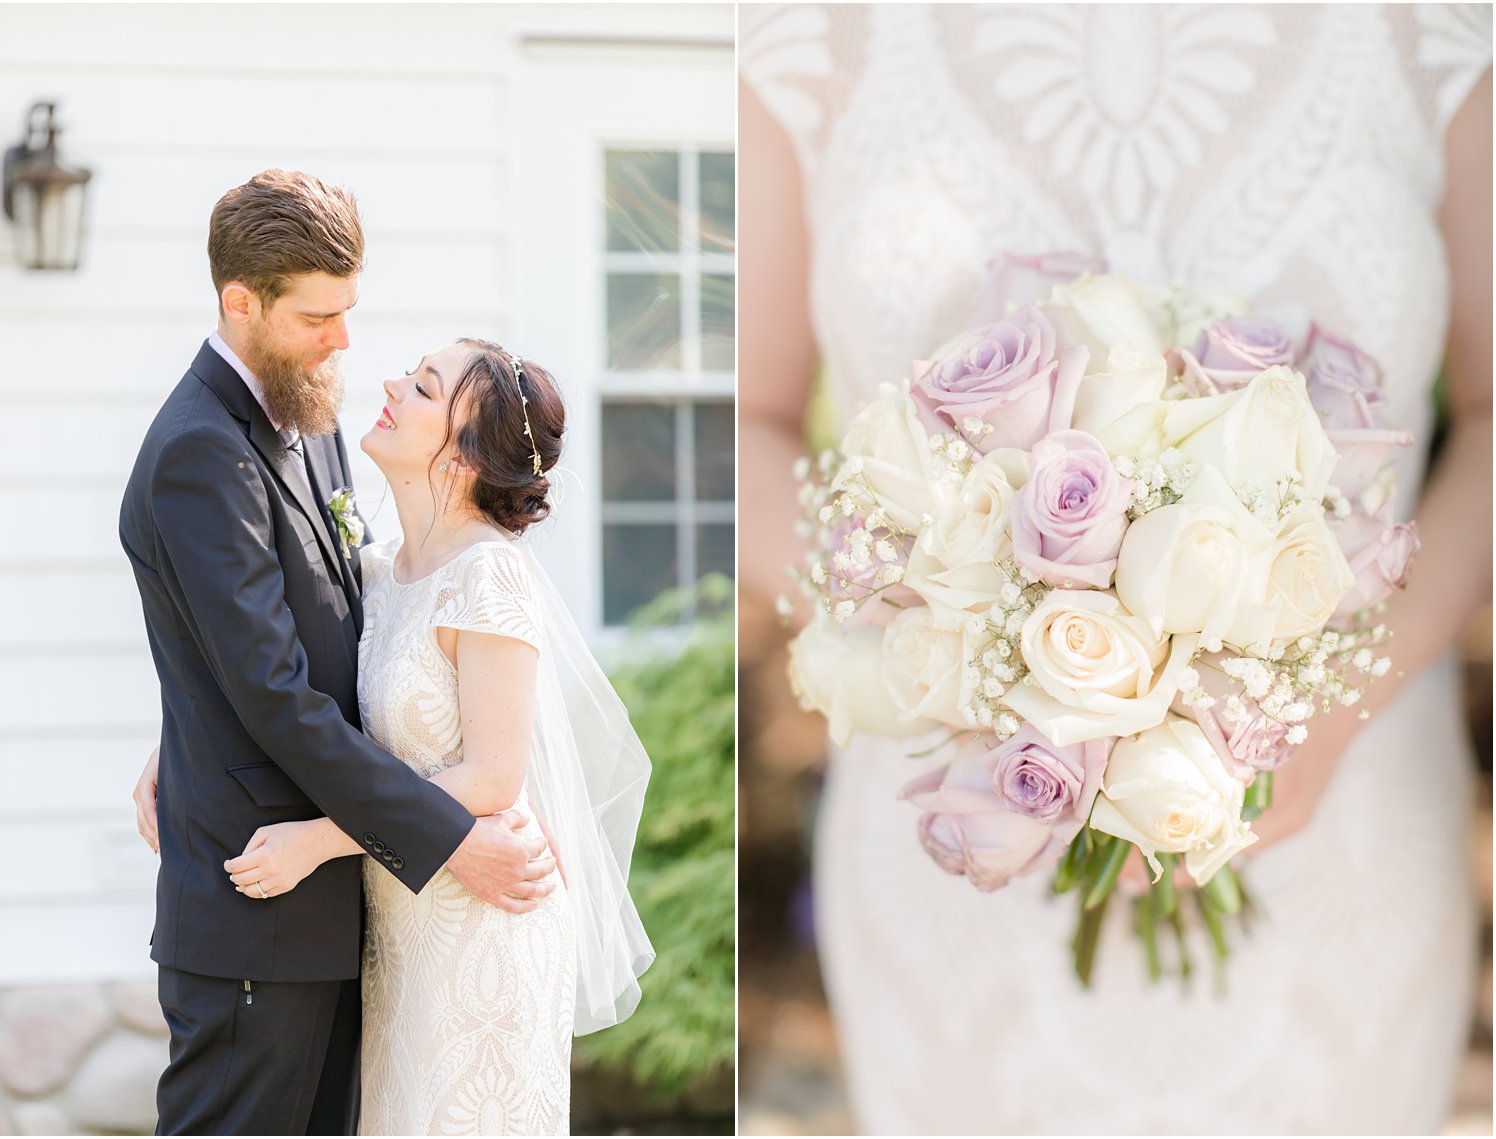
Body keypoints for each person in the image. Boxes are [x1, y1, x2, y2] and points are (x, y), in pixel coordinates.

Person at [738, 4, 1491, 1133]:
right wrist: (954, 659)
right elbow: (743, 421)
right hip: (958, 849)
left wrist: (1328, 705)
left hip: (1350, 827)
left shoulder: (1439, 23)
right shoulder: (794, 30)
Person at [121, 170, 560, 1136]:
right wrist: (453, 837)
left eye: (350, 310)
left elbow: (333, 625)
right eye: (320, 316)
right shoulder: (201, 451)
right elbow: (272, 689)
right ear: (243, 303)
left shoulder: (310, 412)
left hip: (351, 917)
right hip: (256, 910)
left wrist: (179, 728)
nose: (345, 341)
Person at [220, 338, 655, 1134]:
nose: (391, 383)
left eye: (422, 387)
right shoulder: (382, 573)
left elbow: (493, 777)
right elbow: (285, 684)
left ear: (461, 456)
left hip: (483, 929)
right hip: (403, 925)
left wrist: (315, 841)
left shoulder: (489, 574)